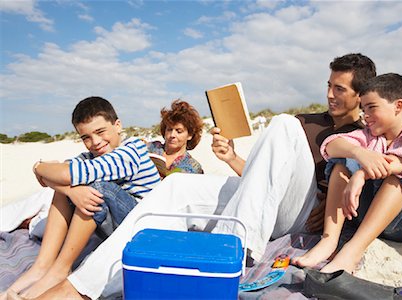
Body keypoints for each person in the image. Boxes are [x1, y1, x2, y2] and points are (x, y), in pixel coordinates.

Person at [40, 53, 377, 299]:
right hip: (262, 209)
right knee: (177, 185)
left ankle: (232, 246)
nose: (331, 94)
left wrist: (328, 208)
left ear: (361, 95)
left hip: (305, 213)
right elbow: (262, 183)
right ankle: (80, 287)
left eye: (341, 89)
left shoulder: (365, 133)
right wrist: (231, 157)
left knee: (283, 123)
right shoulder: (308, 120)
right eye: (329, 85)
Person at [4, 97, 161, 299]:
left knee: (94, 187)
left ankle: (60, 269)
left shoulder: (132, 150)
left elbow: (64, 174)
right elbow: (55, 175)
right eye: (86, 137)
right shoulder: (91, 157)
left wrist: (38, 167)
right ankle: (42, 267)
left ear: (118, 125)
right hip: (118, 228)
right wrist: (69, 190)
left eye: (100, 132)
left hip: (145, 228)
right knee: (69, 188)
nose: (95, 142)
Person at [291, 73, 402, 274]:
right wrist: (358, 153)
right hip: (366, 216)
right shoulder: (368, 135)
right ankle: (329, 240)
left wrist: (361, 175)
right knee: (341, 162)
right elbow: (331, 145)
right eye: (363, 109)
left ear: (398, 106)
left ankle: (352, 251)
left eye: (372, 107)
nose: (365, 116)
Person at [147, 99, 204, 177]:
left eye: (179, 131)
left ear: (190, 135)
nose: (172, 135)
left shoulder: (193, 168)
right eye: (169, 130)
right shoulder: (151, 148)